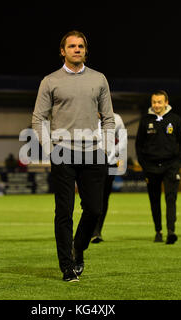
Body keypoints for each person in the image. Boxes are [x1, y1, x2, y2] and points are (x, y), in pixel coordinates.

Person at [32, 30, 115, 282]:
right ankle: (67, 267)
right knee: (64, 212)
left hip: (93, 153)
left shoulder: (99, 79)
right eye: (71, 46)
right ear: (62, 51)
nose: (76, 49)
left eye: (80, 46)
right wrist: (50, 150)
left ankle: (78, 248)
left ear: (85, 50)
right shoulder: (50, 81)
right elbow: (38, 119)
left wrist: (106, 151)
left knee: (94, 209)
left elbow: (109, 118)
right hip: (63, 153)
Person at [135, 90, 181, 244]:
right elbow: (139, 144)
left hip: (170, 166)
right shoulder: (145, 120)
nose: (156, 105)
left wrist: (178, 162)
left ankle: (171, 231)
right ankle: (158, 231)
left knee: (171, 199)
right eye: (154, 102)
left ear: (166, 102)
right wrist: (144, 164)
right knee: (154, 200)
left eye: (159, 102)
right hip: (151, 168)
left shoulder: (175, 119)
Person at [91, 113, 127, 243]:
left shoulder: (116, 118)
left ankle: (97, 231)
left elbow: (123, 139)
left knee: (104, 198)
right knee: (90, 198)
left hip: (110, 164)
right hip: (90, 163)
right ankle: (89, 229)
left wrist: (113, 151)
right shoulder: (86, 114)